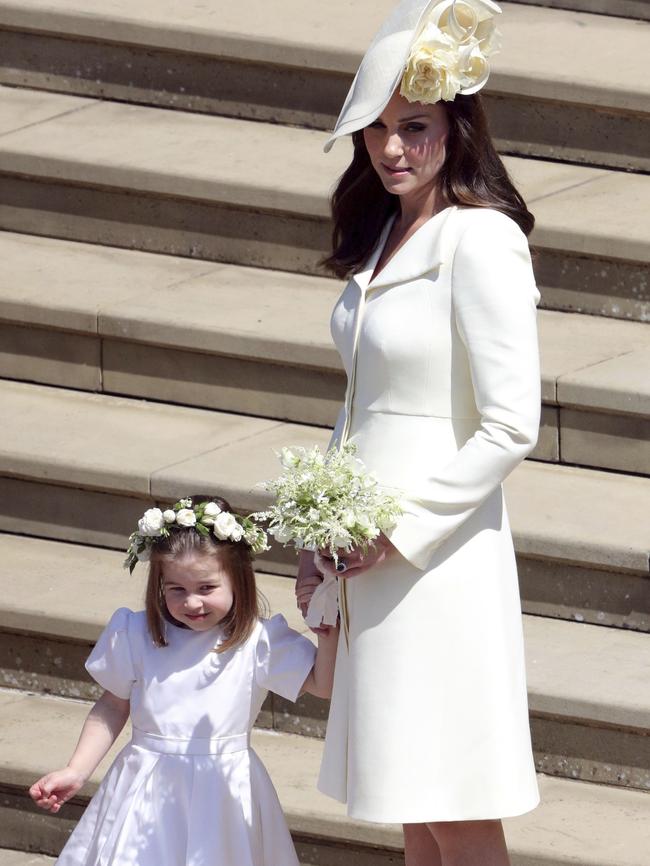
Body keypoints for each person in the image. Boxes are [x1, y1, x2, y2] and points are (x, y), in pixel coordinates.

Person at [296, 1, 541, 864]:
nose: (393, 148)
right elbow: (360, 401)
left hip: (435, 560)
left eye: (416, 127)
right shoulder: (386, 235)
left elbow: (512, 424)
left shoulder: (482, 242)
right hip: (362, 556)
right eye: (379, 128)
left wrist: (394, 532)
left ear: (456, 129)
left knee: (454, 796)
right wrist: (319, 535)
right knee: (410, 795)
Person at [30, 495, 338, 866]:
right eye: (177, 589)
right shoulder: (135, 632)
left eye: (206, 588)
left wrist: (327, 627)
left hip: (224, 790)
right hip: (144, 784)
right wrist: (76, 770)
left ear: (238, 580)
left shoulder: (259, 640)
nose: (192, 603)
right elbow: (112, 705)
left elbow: (324, 685)